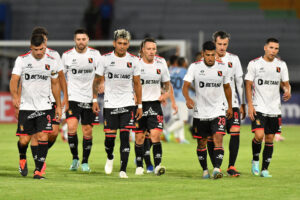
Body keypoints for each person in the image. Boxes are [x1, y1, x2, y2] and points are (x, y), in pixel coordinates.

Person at [10, 34, 62, 179]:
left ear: (44, 47)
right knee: (24, 140)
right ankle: (22, 157)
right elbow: (14, 80)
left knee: (43, 135)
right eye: (36, 49)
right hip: (26, 106)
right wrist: (15, 96)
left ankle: (38, 171)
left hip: (44, 106)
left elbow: (55, 84)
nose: (39, 52)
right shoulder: (22, 60)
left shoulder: (51, 61)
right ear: (31, 47)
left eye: (41, 49)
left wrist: (58, 105)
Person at [92, 29, 142, 178]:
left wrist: (139, 105)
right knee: (109, 140)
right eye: (119, 43)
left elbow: (137, 84)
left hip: (127, 104)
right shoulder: (104, 59)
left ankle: (123, 170)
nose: (122, 46)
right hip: (110, 103)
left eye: (125, 43)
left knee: (125, 137)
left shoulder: (134, 60)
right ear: (114, 43)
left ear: (128, 44)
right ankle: (110, 157)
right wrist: (94, 99)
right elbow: (96, 80)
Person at [182, 41, 233, 179]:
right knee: (202, 142)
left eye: (212, 55)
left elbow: (227, 87)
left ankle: (216, 169)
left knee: (218, 138)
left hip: (218, 110)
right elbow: (185, 86)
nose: (210, 58)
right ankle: (205, 170)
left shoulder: (223, 67)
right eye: (208, 55)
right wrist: (187, 98)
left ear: (216, 54)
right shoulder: (194, 67)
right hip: (200, 112)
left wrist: (229, 106)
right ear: (203, 54)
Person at [245, 38, 291, 178]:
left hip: (274, 108)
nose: (273, 51)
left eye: (276, 48)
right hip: (259, 106)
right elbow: (248, 84)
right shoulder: (254, 64)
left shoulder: (281, 65)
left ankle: (265, 169)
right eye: (271, 47)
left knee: (270, 139)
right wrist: (250, 105)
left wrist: (287, 90)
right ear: (265, 48)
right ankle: (255, 160)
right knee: (259, 136)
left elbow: (285, 84)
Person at [29, 27, 68, 174]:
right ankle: (39, 163)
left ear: (46, 40)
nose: (43, 43)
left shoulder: (54, 55)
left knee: (53, 132)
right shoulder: (28, 58)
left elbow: (60, 77)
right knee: (37, 134)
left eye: (44, 39)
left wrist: (65, 96)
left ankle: (41, 154)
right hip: (35, 101)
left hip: (52, 99)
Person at [62, 28, 101, 172]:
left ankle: (85, 161)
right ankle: (75, 158)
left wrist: (97, 95)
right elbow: (61, 78)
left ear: (88, 40)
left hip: (90, 98)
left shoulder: (95, 54)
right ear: (75, 40)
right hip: (73, 97)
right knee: (71, 127)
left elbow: (100, 75)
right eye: (78, 39)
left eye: (83, 39)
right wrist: (64, 98)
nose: (81, 42)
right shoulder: (66, 56)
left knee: (87, 131)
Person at [208, 31, 246, 176]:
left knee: (235, 131)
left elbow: (239, 82)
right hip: (214, 105)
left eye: (225, 44)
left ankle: (231, 166)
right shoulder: (208, 59)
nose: (222, 47)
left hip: (233, 103)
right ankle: (216, 166)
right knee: (215, 137)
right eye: (219, 44)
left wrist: (242, 103)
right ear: (214, 43)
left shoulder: (234, 59)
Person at [133, 38, 171, 175]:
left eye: (153, 49)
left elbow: (167, 84)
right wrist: (133, 96)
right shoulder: (135, 63)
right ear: (142, 50)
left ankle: (157, 166)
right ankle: (139, 165)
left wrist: (165, 94)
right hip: (139, 105)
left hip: (155, 104)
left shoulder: (161, 63)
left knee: (155, 135)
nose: (151, 51)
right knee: (139, 137)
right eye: (148, 49)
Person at [167, 56, 189, 144]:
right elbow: (188, 84)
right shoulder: (185, 72)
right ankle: (166, 131)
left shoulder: (171, 71)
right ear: (183, 63)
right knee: (183, 120)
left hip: (172, 98)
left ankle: (180, 138)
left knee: (177, 119)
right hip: (181, 97)